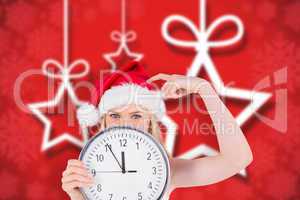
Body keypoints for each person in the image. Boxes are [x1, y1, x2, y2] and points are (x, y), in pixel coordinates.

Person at [61, 61, 253, 200]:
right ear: (102, 123)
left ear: (150, 123)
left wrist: (205, 89)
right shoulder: (85, 171)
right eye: (115, 115)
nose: (125, 125)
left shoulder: (166, 171)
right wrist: (78, 197)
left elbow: (237, 159)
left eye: (136, 116)